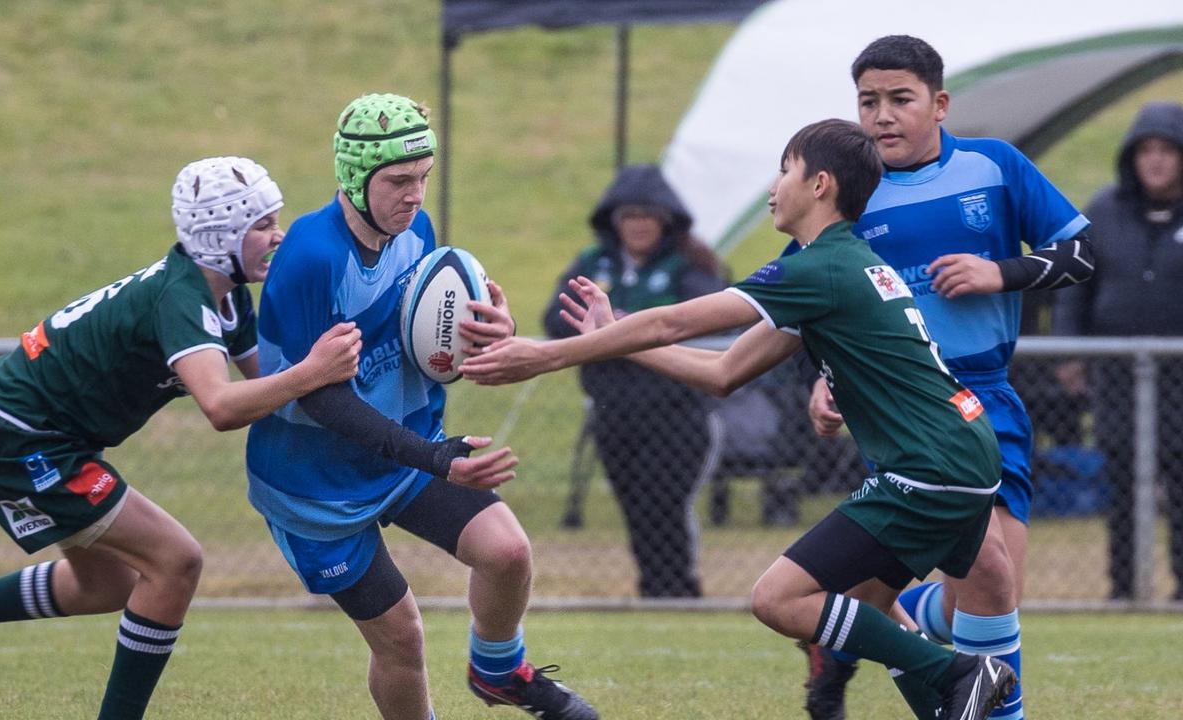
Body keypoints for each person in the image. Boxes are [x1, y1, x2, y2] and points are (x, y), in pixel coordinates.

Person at [465, 118, 1017, 720]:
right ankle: (951, 698)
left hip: (930, 466)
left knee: (778, 599)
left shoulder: (819, 269)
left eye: (785, 169)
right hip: (961, 454)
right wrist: (617, 338)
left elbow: (675, 321)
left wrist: (543, 355)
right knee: (874, 607)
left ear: (820, 184)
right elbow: (724, 371)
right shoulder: (843, 266)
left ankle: (960, 671)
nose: (775, 185)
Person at [0, 157, 364, 717]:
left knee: (104, 587)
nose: (279, 235)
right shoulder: (183, 298)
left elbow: (273, 388)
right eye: (264, 225)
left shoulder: (227, 297)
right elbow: (221, 405)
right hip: (17, 436)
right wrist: (314, 370)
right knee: (177, 561)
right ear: (221, 237)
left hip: (45, 433)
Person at [244, 93, 599, 720]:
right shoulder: (309, 257)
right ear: (354, 178)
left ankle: (497, 671)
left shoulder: (418, 236)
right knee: (402, 638)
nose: (415, 195)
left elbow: (430, 347)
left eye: (424, 178)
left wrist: (486, 331)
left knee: (507, 553)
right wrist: (435, 459)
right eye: (398, 181)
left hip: (402, 455)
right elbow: (323, 399)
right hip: (316, 487)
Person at [798, 36, 1096, 720]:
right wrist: (823, 376)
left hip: (989, 393)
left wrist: (1003, 271)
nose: (882, 116)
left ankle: (870, 623)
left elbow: (1081, 252)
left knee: (992, 586)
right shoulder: (845, 193)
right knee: (986, 565)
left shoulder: (994, 166)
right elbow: (803, 300)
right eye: (868, 101)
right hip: (901, 405)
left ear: (939, 104)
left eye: (899, 99)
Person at [543, 163, 727, 598]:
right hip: (614, 412)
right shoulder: (594, 264)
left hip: (677, 414)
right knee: (633, 507)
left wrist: (630, 328)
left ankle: (681, 592)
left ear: (665, 221)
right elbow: (556, 318)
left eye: (648, 216)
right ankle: (652, 591)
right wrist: (605, 331)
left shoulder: (690, 265)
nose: (639, 225)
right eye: (629, 216)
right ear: (614, 220)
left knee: (665, 505)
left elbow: (710, 320)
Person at [1053, 100, 1183, 601]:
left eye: (1167, 150)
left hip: (1177, 379)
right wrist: (1069, 352)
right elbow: (1073, 288)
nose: (1155, 160)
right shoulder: (1103, 212)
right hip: (1118, 378)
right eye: (1146, 150)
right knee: (1123, 486)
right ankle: (1124, 590)